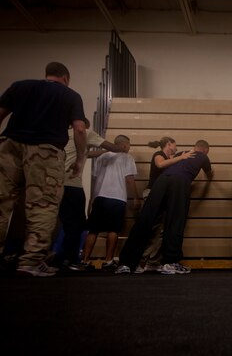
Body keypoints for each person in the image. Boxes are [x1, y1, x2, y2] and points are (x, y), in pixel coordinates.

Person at [0, 62, 86, 277]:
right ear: (66, 78)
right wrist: (80, 160)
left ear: (47, 74)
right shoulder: (70, 95)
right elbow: (80, 128)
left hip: (10, 147)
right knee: (42, 204)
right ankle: (31, 261)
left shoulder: (20, 86)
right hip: (45, 151)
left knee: (1, 202)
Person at [115, 139, 214, 275]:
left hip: (161, 181)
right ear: (204, 150)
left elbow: (167, 164)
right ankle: (170, 262)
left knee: (145, 219)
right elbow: (209, 174)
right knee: (175, 221)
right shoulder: (203, 156)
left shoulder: (181, 153)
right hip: (180, 181)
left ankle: (126, 263)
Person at [53, 117, 124, 271]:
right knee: (77, 223)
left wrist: (103, 152)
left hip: (56, 183)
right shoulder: (85, 132)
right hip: (72, 184)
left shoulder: (65, 135)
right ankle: (70, 260)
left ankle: (57, 258)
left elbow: (88, 154)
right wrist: (121, 147)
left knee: (61, 222)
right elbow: (111, 146)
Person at [135, 137, 196, 274]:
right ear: (169, 144)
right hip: (152, 194)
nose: (176, 147)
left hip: (164, 196)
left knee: (162, 232)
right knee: (152, 229)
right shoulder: (159, 155)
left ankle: (154, 262)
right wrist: (182, 157)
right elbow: (160, 165)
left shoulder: (171, 158)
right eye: (175, 144)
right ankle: (140, 261)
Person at [80, 135, 139, 270]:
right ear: (124, 145)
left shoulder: (101, 157)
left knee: (93, 230)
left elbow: (95, 179)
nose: (129, 147)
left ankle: (85, 260)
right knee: (113, 229)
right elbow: (129, 179)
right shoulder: (127, 157)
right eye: (129, 144)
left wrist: (92, 199)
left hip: (99, 196)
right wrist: (136, 197)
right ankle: (108, 261)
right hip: (117, 197)